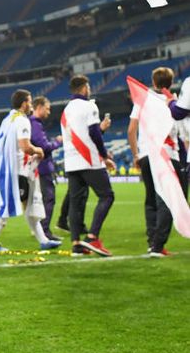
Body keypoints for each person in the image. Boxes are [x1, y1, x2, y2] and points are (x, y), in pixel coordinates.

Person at [0, 89, 62, 253]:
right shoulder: (22, 120)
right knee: (8, 207)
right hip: (16, 171)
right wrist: (38, 150)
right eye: (30, 101)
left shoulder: (7, 119)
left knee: (29, 205)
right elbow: (25, 146)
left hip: (6, 168)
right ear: (24, 103)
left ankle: (43, 240)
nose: (31, 105)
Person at [128, 66, 182, 257]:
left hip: (145, 155)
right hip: (167, 154)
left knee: (150, 199)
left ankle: (152, 242)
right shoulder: (173, 102)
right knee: (167, 200)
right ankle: (158, 245)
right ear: (171, 82)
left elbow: (131, 129)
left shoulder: (142, 100)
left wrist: (136, 154)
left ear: (153, 82)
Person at [61, 75, 115, 257]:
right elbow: (94, 133)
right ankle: (93, 237)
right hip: (88, 159)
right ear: (84, 88)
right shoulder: (89, 105)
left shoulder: (66, 110)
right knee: (107, 195)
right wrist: (104, 155)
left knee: (75, 203)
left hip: (71, 161)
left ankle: (76, 244)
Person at [29, 97, 63, 240]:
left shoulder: (33, 123)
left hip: (37, 168)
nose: (49, 112)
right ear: (39, 107)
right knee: (48, 198)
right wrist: (57, 142)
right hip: (42, 168)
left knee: (39, 199)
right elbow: (43, 147)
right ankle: (44, 231)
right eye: (47, 108)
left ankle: (38, 229)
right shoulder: (35, 124)